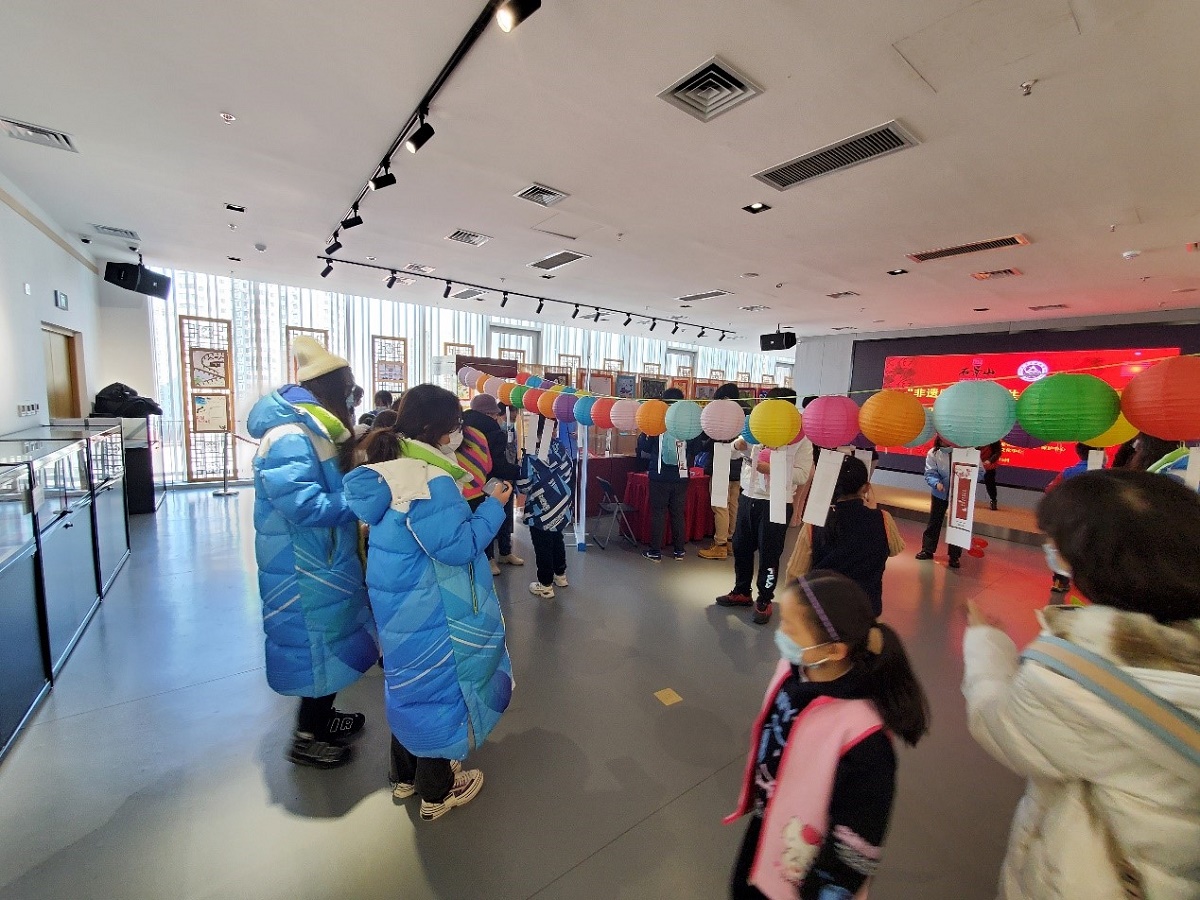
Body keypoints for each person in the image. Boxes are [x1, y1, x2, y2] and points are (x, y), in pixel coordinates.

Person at [963, 470, 1200, 899]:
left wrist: (985, 643)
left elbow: (998, 722)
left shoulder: (1075, 676)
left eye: (1060, 546)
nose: (1054, 553)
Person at [343, 384, 514, 821]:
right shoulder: (431, 480)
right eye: (455, 425)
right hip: (431, 606)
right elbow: (457, 548)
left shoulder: (391, 470)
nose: (459, 433)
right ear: (435, 428)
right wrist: (493, 507)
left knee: (407, 688)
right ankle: (438, 791)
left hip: (398, 605)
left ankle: (403, 775)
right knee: (437, 692)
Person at [726, 572, 930, 900]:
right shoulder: (795, 671)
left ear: (834, 650)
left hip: (805, 874)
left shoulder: (866, 741)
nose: (780, 634)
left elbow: (856, 847)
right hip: (769, 823)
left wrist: (824, 889)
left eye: (790, 627)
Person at [247, 337, 377, 769]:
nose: (353, 400)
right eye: (349, 391)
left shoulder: (314, 429)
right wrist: (359, 501)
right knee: (314, 649)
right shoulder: (289, 436)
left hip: (322, 559)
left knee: (329, 643)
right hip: (302, 566)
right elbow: (303, 506)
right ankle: (306, 737)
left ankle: (322, 719)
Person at [716, 387, 815, 624]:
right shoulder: (757, 428)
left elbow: (803, 474)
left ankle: (765, 598)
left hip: (777, 501)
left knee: (770, 553)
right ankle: (741, 591)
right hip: (748, 496)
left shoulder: (800, 437)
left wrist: (772, 469)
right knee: (740, 547)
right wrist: (737, 446)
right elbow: (733, 454)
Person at [786, 456, 905, 616]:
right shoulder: (883, 519)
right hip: (866, 612)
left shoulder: (814, 524)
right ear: (866, 487)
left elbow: (795, 574)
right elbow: (896, 548)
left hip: (824, 614)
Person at [463, 393, 524, 573]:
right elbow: (496, 464)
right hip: (493, 482)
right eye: (496, 414)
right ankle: (492, 558)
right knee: (494, 518)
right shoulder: (493, 431)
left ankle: (497, 555)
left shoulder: (462, 427)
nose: (499, 417)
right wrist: (519, 471)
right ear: (488, 413)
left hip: (468, 485)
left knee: (482, 519)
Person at [637, 387, 698, 562]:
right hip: (681, 475)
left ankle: (655, 552)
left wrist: (644, 433)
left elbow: (644, 447)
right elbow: (696, 448)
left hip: (659, 475)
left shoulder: (658, 420)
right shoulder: (688, 422)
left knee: (658, 513)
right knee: (678, 513)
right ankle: (679, 551)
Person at [517, 416, 573, 599]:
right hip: (561, 504)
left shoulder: (531, 454)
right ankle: (560, 575)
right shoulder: (560, 447)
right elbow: (569, 471)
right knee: (557, 538)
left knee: (542, 545)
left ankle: (545, 585)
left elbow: (524, 485)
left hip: (541, 508)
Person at [699, 383, 747, 560]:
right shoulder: (744, 412)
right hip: (739, 465)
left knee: (720, 505)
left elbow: (707, 436)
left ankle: (720, 545)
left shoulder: (720, 413)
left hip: (721, 462)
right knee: (733, 504)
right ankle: (730, 542)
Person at [915, 435, 961, 569]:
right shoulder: (934, 453)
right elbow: (930, 472)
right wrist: (936, 483)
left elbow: (979, 471)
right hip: (939, 493)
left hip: (960, 495)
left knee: (957, 525)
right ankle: (927, 550)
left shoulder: (965, 452)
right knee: (934, 521)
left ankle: (954, 556)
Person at [979, 440, 1002, 511]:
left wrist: (990, 460)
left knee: (990, 482)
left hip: (988, 464)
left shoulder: (995, 439)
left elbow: (998, 452)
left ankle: (993, 500)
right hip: (975, 462)